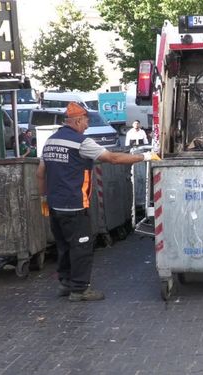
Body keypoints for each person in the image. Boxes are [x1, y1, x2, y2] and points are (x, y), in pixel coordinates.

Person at [36, 102, 160, 302]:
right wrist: (145, 156)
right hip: (75, 204)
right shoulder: (81, 142)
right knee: (81, 247)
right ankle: (79, 289)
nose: (87, 125)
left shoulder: (50, 141)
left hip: (54, 205)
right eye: (85, 121)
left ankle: (66, 283)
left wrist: (43, 197)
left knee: (64, 245)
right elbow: (113, 158)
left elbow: (40, 173)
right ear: (77, 121)